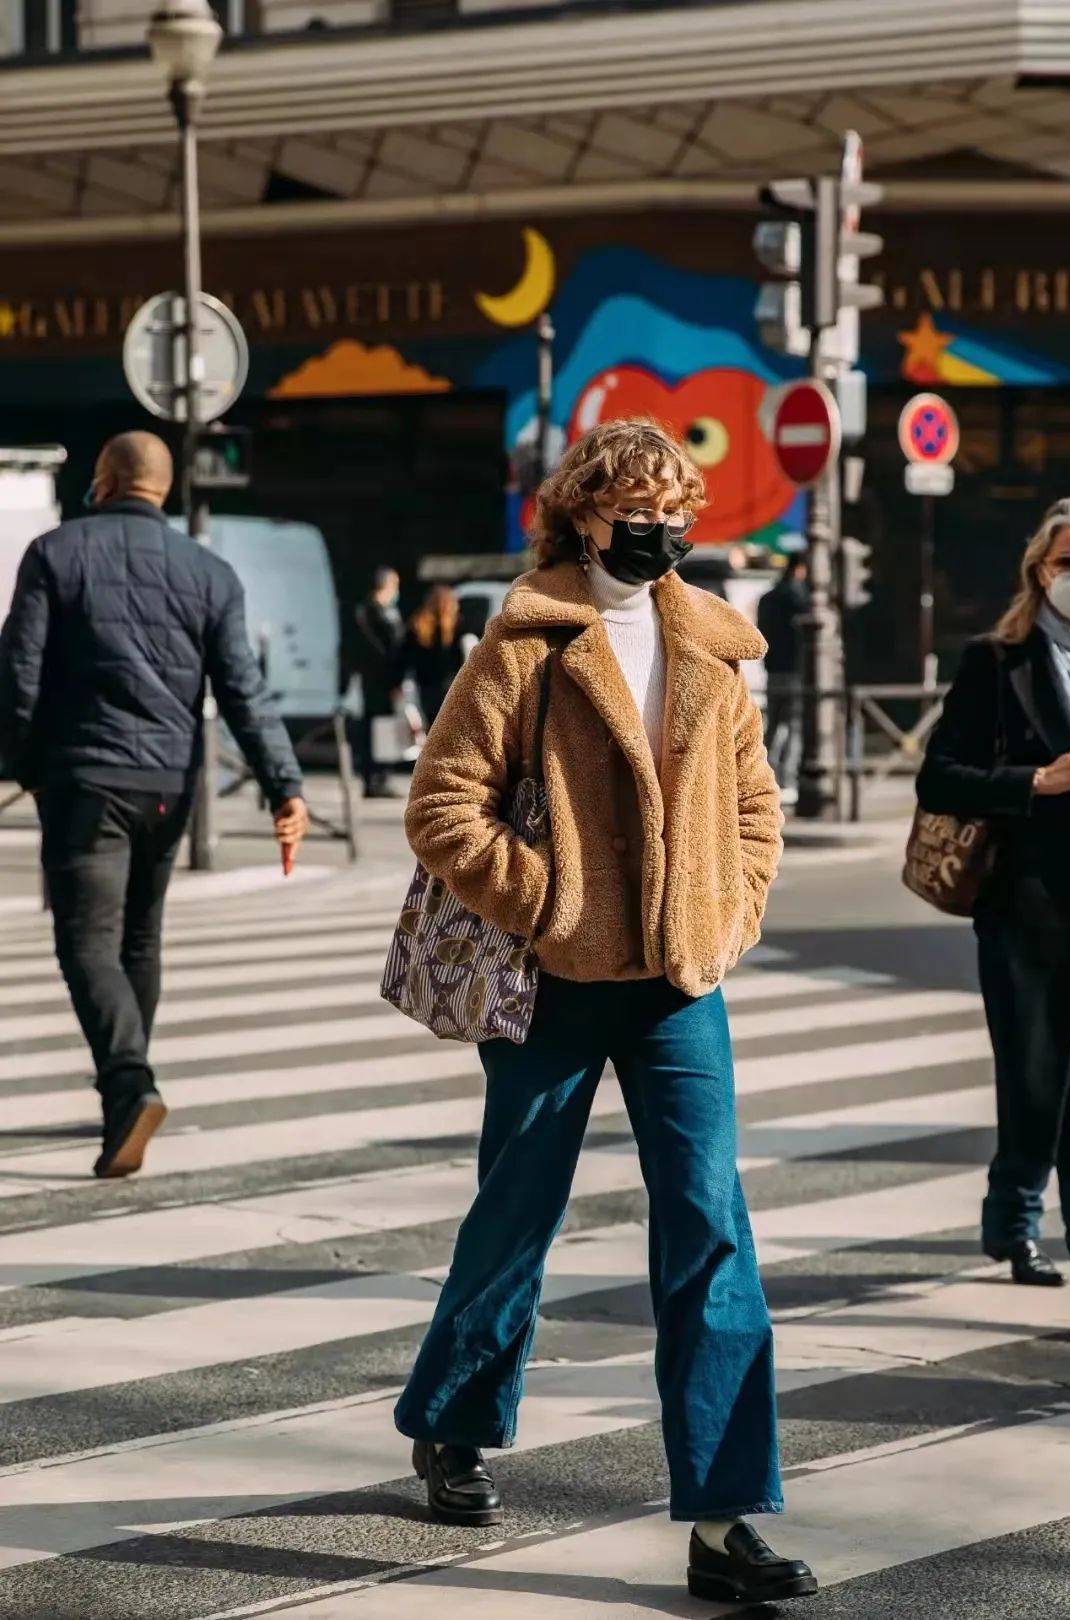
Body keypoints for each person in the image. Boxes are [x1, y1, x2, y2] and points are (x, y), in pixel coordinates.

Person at [392, 418, 816, 1607]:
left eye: (680, 510)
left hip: (682, 984)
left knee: (710, 1229)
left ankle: (726, 1514)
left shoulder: (710, 649)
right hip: (555, 984)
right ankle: (454, 1423)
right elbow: (442, 805)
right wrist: (550, 904)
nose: (664, 531)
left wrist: (729, 913)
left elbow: (754, 805)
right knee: (514, 1217)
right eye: (642, 510)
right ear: (586, 512)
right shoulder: (526, 643)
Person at [0, 431, 308, 1181]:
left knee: (86, 941)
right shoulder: (210, 572)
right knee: (140, 938)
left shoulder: (54, 554)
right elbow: (243, 689)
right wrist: (284, 785)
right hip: (168, 787)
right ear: (163, 490)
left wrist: (22, 767)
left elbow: (18, 678)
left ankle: (129, 1082)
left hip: (86, 779)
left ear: (103, 480)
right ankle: (125, 1092)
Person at [916, 494, 1070, 1288]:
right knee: (1035, 1074)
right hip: (1027, 908)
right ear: (1039, 572)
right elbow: (939, 774)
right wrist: (1035, 780)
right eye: (1069, 562)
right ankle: (1014, 1220)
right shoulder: (999, 659)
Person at [756, 553, 808, 805]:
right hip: (795, 669)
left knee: (773, 726)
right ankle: (787, 779)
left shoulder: (767, 598)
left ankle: (764, 774)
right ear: (800, 569)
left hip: (773, 668)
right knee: (795, 726)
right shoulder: (800, 599)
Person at [354, 566, 404, 797]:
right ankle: (376, 778)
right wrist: (394, 679)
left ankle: (377, 777)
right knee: (378, 728)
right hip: (380, 681)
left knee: (379, 728)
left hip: (377, 680)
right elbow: (386, 651)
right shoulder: (374, 613)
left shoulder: (372, 611)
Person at [398, 583, 468, 729]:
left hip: (425, 687)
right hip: (451, 686)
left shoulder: (417, 625)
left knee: (432, 728)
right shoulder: (457, 626)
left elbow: (405, 656)